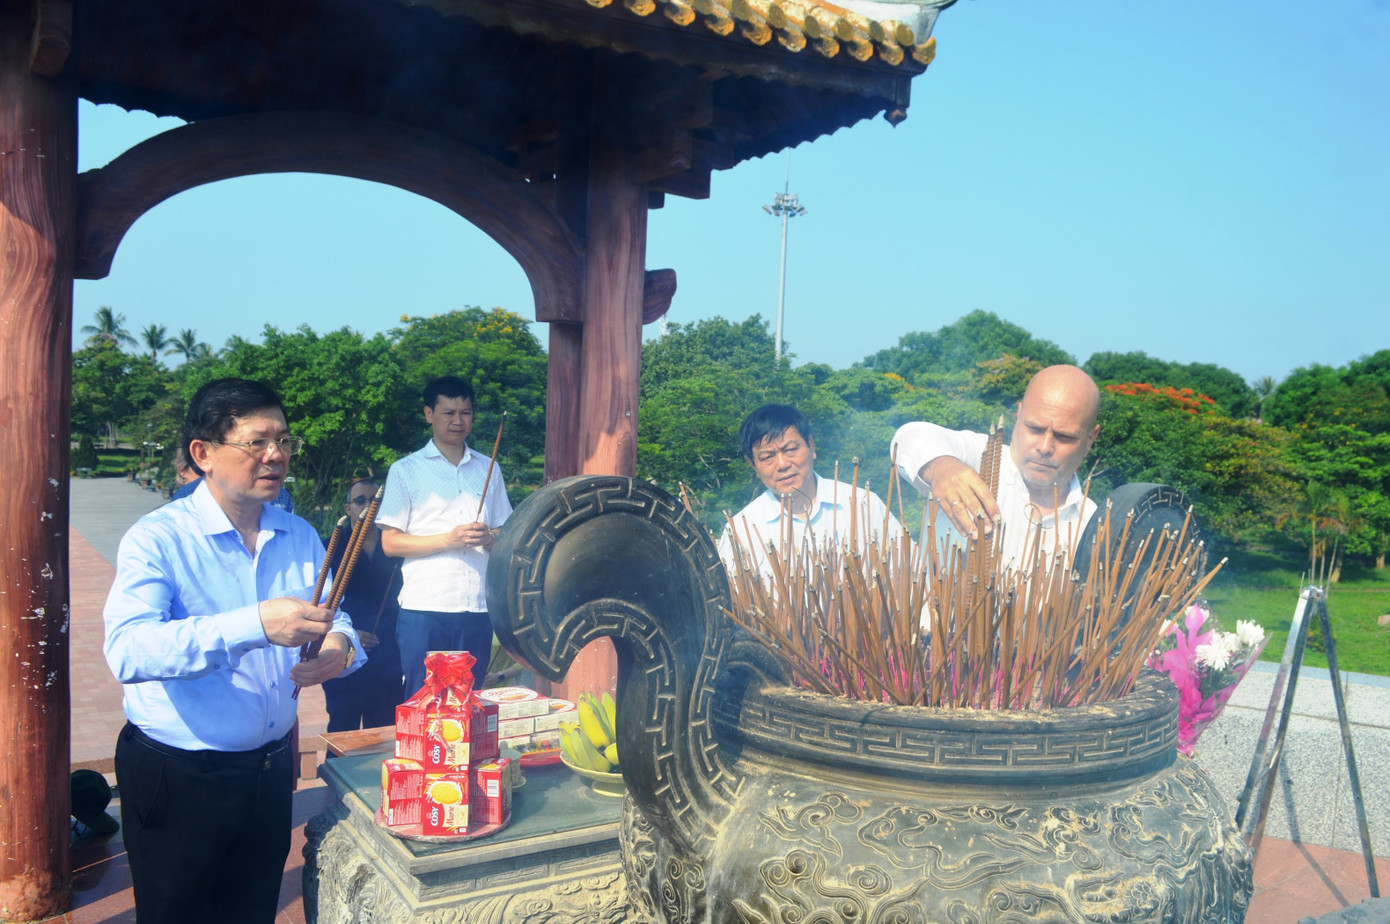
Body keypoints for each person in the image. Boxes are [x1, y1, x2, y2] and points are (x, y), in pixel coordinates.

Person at [103, 377, 364, 924]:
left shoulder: (299, 535)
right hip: (178, 776)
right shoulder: (158, 538)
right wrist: (255, 625)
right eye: (256, 442)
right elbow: (128, 649)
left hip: (269, 769)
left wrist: (340, 646)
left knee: (251, 910)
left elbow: (335, 613)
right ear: (203, 454)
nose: (275, 456)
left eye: (284, 441)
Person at [378, 376, 512, 694]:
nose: (457, 421)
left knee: (469, 702)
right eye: (448, 412)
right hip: (425, 608)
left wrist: (490, 538)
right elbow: (390, 543)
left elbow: (507, 531)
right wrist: (448, 540)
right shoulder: (406, 469)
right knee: (423, 700)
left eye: (465, 412)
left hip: (478, 607)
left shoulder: (488, 467)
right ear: (429, 414)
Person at [892, 364, 1101, 568]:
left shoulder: (1095, 524)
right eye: (1035, 429)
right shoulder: (981, 459)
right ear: (1019, 414)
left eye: (1064, 437)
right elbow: (909, 437)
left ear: (1091, 438)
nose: (1045, 447)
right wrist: (941, 467)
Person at [717, 403, 902, 577]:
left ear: (811, 446)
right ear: (753, 464)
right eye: (767, 457)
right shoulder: (740, 530)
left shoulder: (863, 504)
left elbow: (908, 574)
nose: (782, 464)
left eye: (790, 449)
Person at [323, 477, 406, 731]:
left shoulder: (396, 546)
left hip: (388, 650)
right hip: (345, 650)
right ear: (348, 508)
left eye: (375, 500)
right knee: (342, 725)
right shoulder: (330, 546)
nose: (369, 506)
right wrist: (351, 635)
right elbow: (322, 601)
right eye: (361, 500)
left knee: (384, 730)